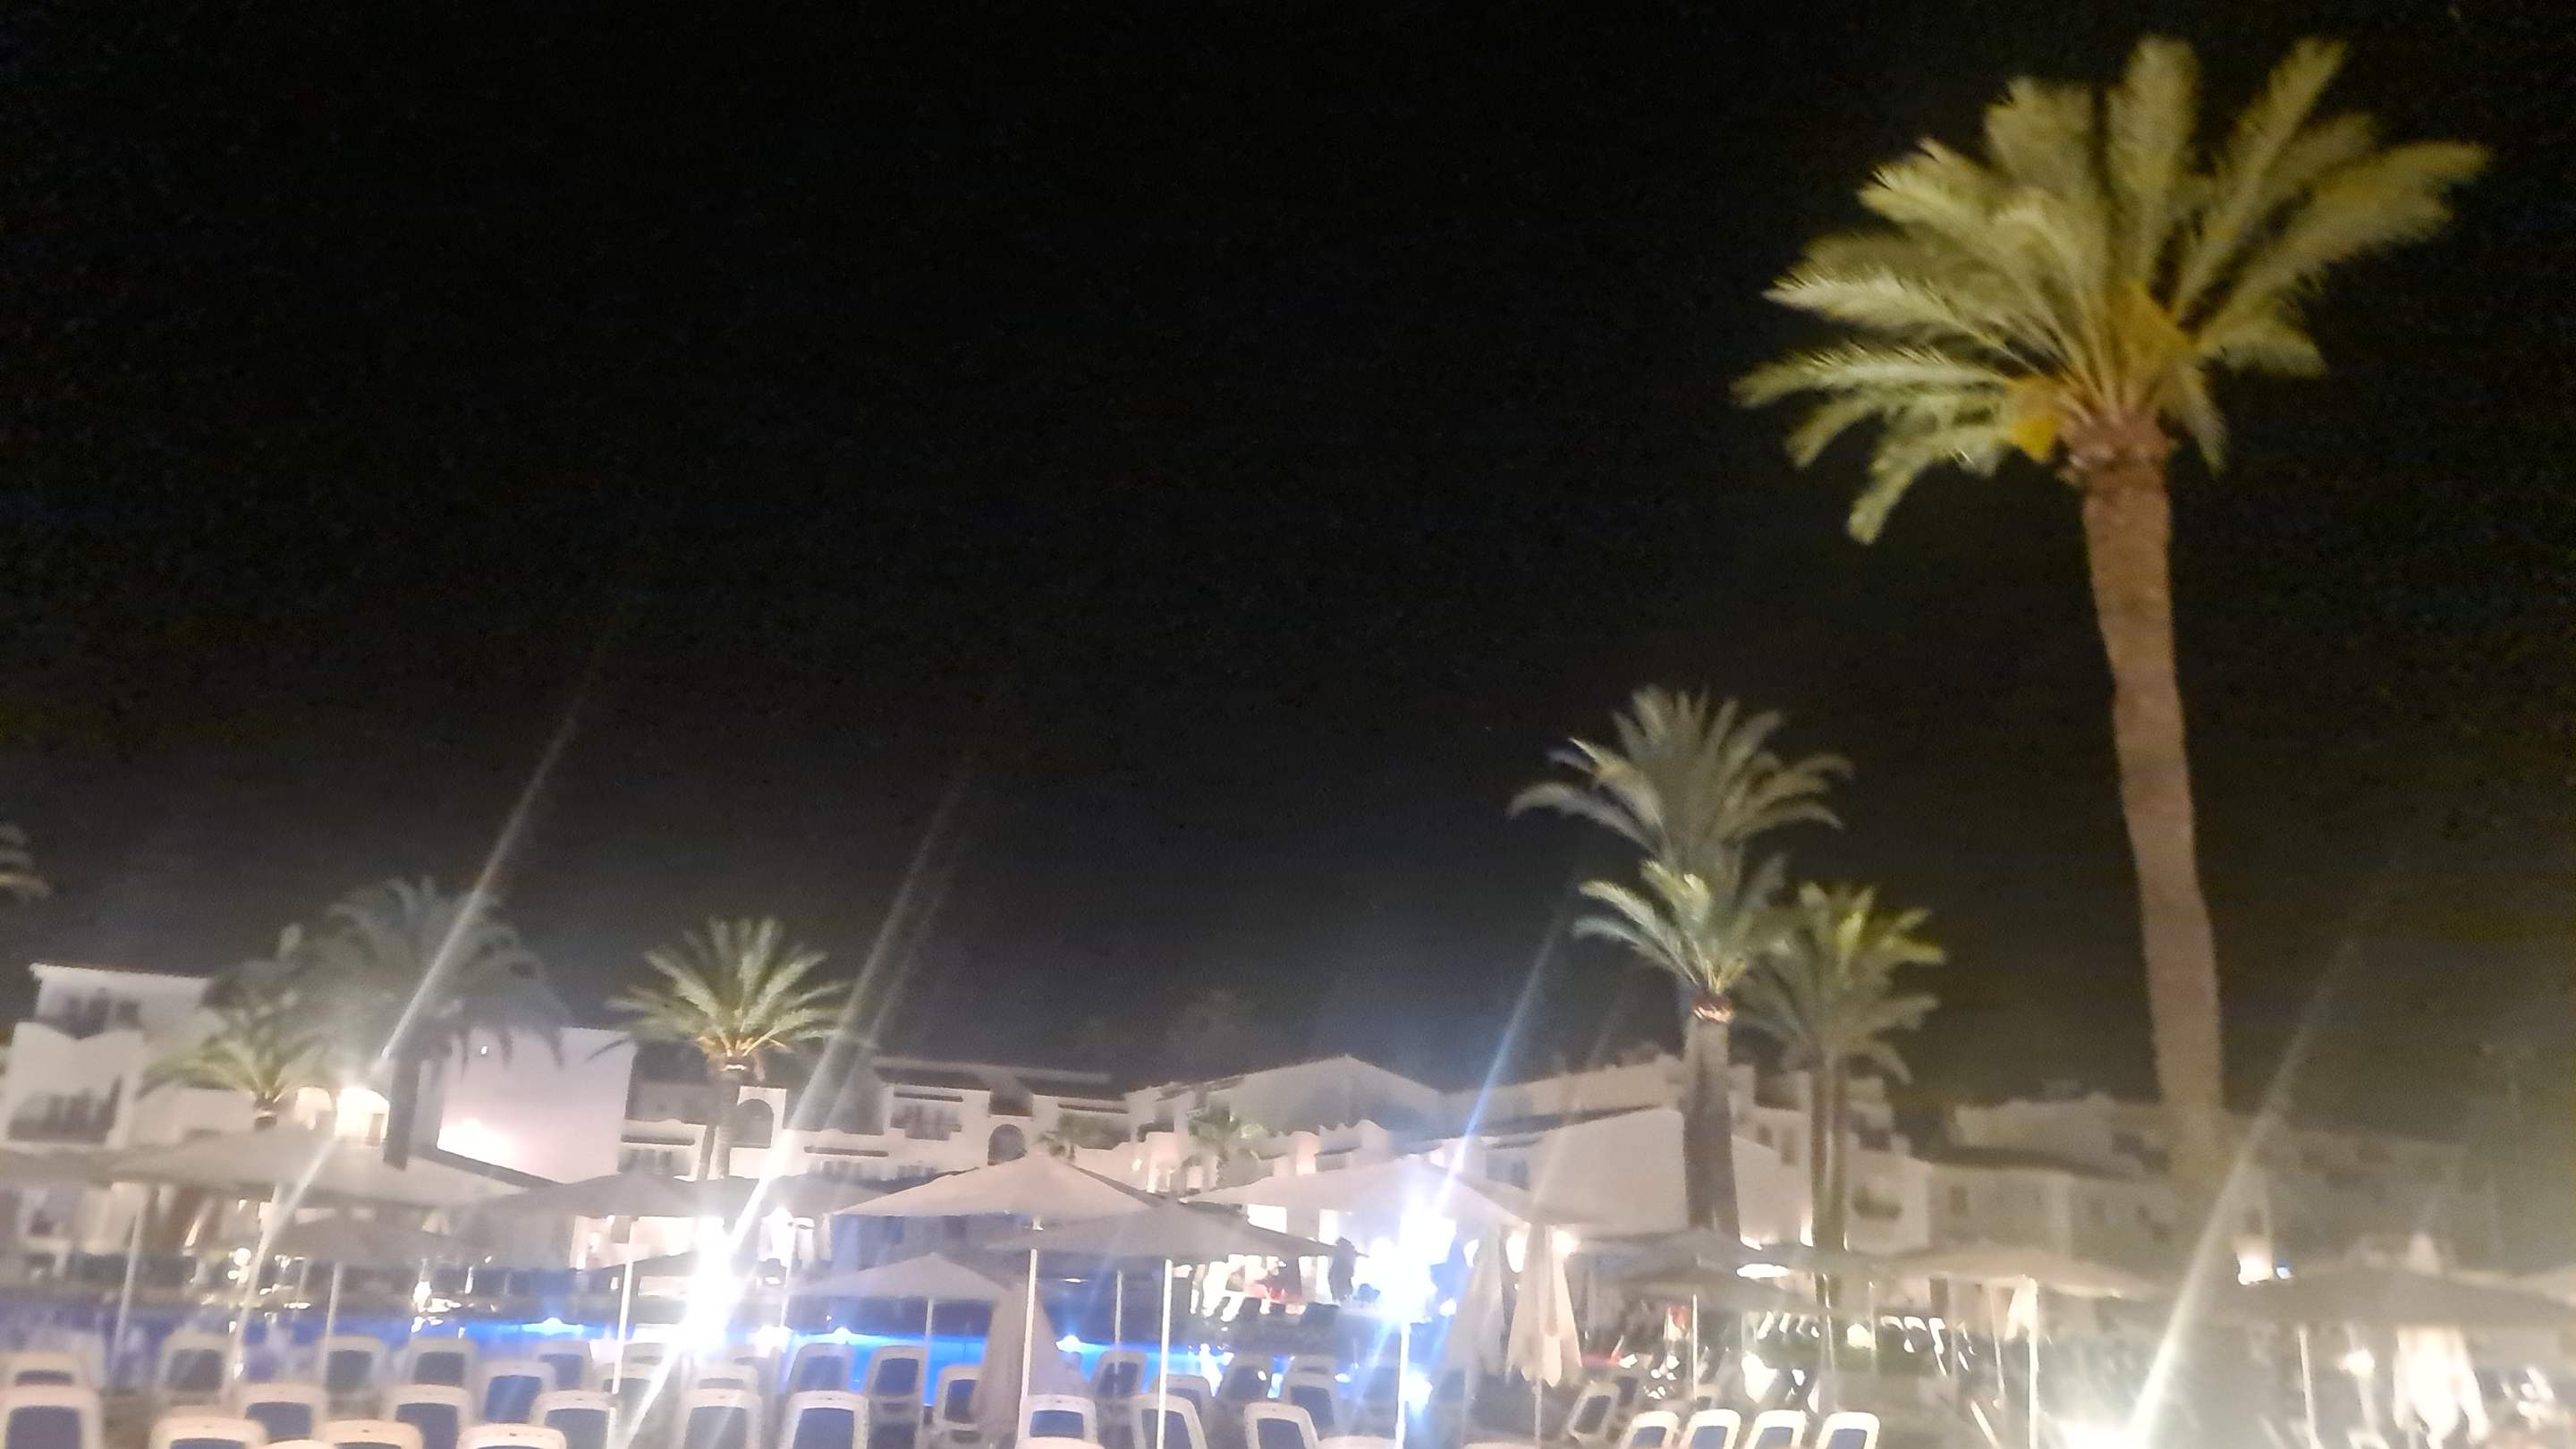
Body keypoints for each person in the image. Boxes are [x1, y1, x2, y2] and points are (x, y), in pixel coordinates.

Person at [1329, 1238, 1358, 1303]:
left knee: (1343, 1296)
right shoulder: (1347, 1253)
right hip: (1341, 1279)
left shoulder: (1343, 1254)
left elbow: (1335, 1271)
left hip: (1340, 1279)